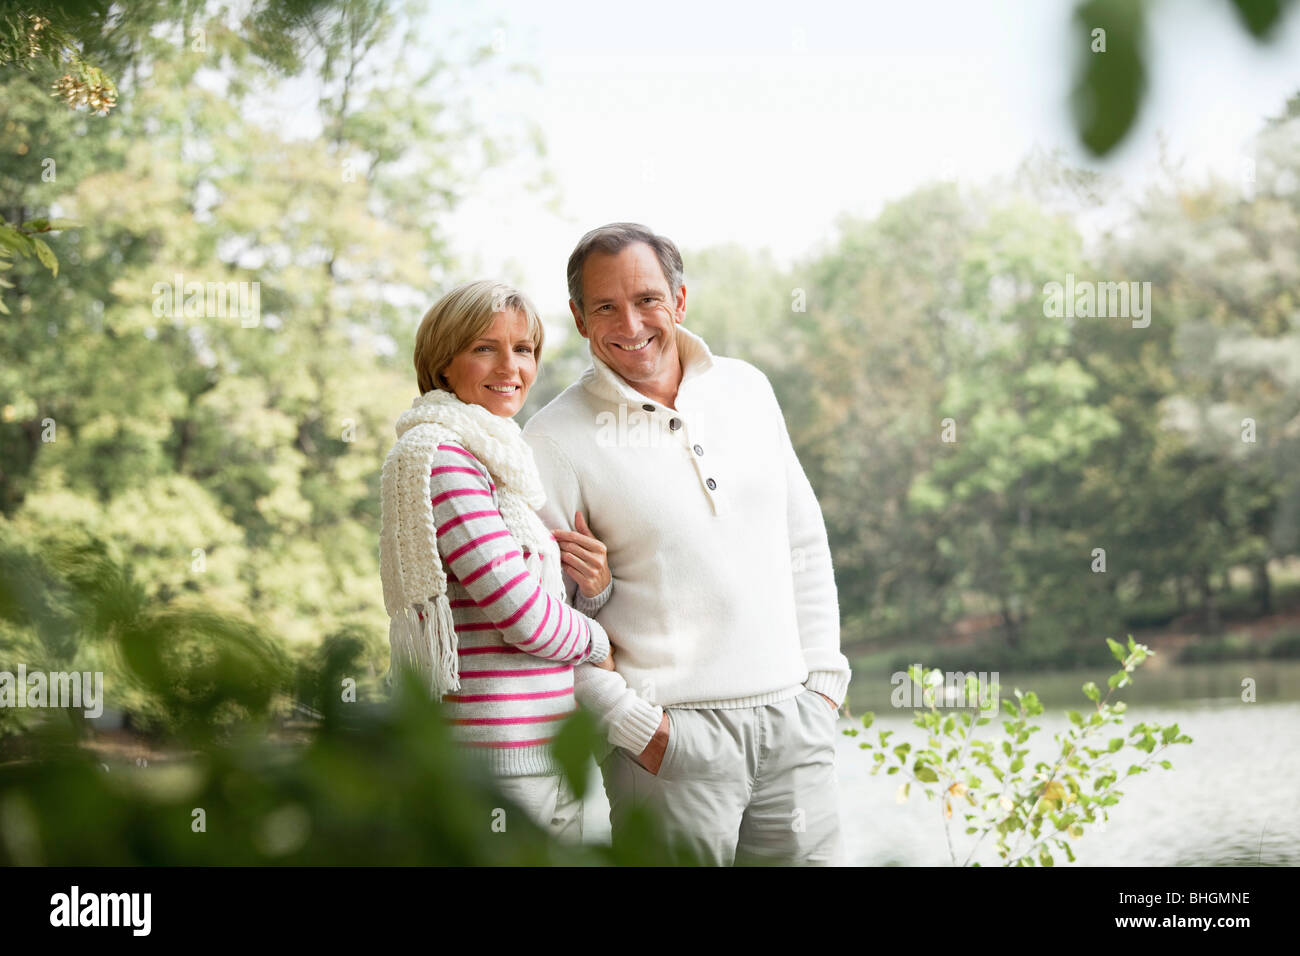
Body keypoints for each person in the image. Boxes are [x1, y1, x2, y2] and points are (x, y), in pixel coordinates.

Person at [522, 223, 852, 865]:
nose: (631, 323)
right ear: (578, 318)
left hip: (797, 726)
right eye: (605, 307)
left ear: (678, 299)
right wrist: (638, 729)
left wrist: (824, 685)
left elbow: (804, 543)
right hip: (669, 745)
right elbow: (546, 622)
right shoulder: (552, 439)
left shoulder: (748, 389)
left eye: (646, 299)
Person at [379, 278, 617, 842]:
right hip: (495, 765)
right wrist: (600, 643)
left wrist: (595, 588)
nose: (510, 365)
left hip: (541, 754)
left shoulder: (496, 463)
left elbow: (527, 599)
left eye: (524, 349)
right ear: (443, 364)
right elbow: (521, 616)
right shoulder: (442, 459)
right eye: (485, 347)